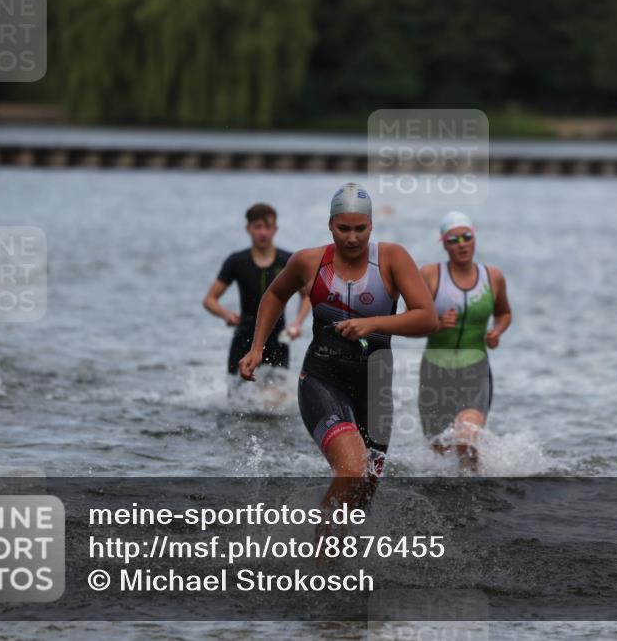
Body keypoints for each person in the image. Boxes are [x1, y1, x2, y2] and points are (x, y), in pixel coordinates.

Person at [239, 183, 437, 510]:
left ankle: (339, 557)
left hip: (376, 387)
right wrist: (257, 348)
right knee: (351, 471)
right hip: (322, 379)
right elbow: (275, 294)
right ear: (330, 224)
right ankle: (316, 558)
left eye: (360, 228)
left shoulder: (392, 259)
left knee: (362, 496)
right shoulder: (309, 261)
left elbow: (427, 318)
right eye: (343, 228)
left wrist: (373, 323)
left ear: (371, 225)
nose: (352, 237)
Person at [418, 211, 511, 470]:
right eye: (453, 239)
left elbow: (504, 313)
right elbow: (408, 319)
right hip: (435, 370)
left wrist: (497, 331)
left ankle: (474, 493)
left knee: (466, 438)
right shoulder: (428, 275)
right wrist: (435, 324)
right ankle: (449, 498)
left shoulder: (493, 276)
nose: (461, 244)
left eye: (466, 237)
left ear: (474, 238)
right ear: (444, 243)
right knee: (439, 449)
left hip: (475, 368)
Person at [203, 203, 310, 381]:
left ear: (275, 229)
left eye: (267, 227)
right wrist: (225, 314)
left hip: (277, 340)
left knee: (276, 401)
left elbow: (307, 295)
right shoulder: (236, 261)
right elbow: (210, 300)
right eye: (258, 227)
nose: (263, 233)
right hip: (244, 335)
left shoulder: (288, 261)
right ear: (248, 229)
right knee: (236, 398)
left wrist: (297, 323)